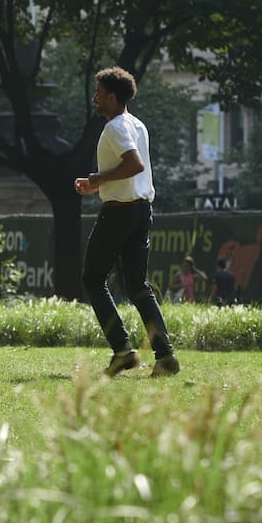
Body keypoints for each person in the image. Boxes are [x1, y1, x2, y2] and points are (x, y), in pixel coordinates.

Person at [74, 66, 179, 377]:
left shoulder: (115, 127)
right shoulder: (137, 125)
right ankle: (165, 357)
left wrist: (97, 179)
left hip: (119, 212)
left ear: (112, 96)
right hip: (141, 211)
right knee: (137, 285)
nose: (95, 98)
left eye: (99, 93)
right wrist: (97, 183)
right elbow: (134, 168)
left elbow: (133, 164)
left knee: (93, 280)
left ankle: (122, 351)